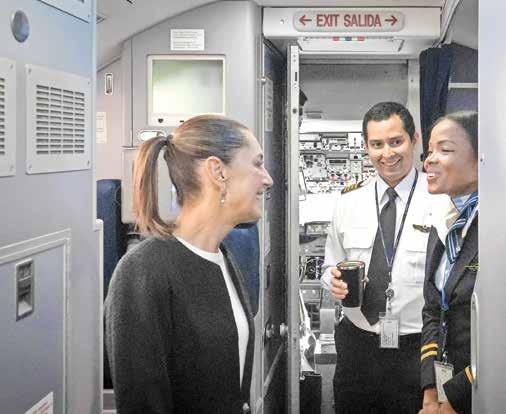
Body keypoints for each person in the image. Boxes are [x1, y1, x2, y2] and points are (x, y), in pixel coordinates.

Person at [105, 114, 273, 413]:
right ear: (217, 171)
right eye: (257, 164)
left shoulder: (225, 257)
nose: (267, 179)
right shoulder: (143, 271)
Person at [321, 102, 450, 414]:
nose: (387, 154)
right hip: (357, 345)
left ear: (414, 139)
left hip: (416, 347)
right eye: (377, 144)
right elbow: (330, 264)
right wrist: (332, 280)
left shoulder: (442, 201)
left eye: (396, 142)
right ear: (366, 147)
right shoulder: (348, 201)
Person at [419, 111, 478, 414]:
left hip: (483, 391)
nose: (429, 160)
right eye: (429, 151)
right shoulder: (444, 222)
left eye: (445, 149)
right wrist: (431, 392)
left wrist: (455, 399)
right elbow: (433, 309)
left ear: (481, 159)